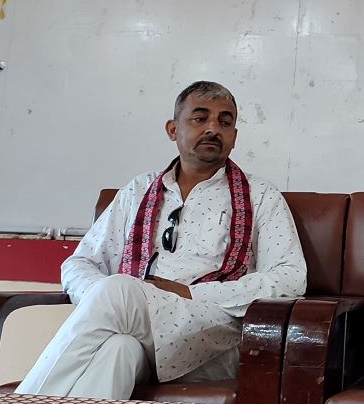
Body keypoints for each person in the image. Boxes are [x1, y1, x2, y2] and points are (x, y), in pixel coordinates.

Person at [16, 81, 307, 399]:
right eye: (200, 118)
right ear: (173, 129)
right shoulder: (138, 190)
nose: (213, 129)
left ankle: (22, 400)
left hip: (212, 332)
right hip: (138, 329)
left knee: (119, 290)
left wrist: (189, 292)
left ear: (234, 137)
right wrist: (103, 302)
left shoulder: (261, 195)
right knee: (119, 349)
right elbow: (80, 264)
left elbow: (290, 278)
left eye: (225, 122)